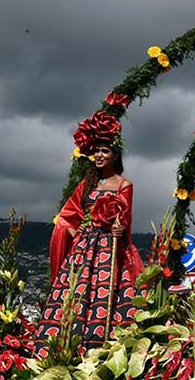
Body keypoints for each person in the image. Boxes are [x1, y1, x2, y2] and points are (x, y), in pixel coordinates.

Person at [36, 131, 143, 355]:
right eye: (96, 151)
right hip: (83, 249)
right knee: (73, 293)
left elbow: (124, 215)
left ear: (115, 155)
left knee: (106, 294)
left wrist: (118, 227)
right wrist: (76, 232)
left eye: (105, 151)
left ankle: (99, 348)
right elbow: (67, 215)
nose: (99, 155)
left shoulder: (124, 184)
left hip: (109, 247)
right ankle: (62, 348)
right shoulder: (86, 184)